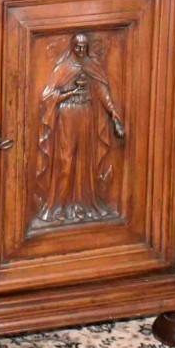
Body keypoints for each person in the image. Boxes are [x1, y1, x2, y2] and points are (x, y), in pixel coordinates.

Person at [34, 32, 125, 225]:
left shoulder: (92, 66)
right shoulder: (63, 68)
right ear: (72, 47)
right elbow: (48, 97)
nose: (81, 50)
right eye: (78, 46)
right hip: (67, 115)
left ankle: (82, 205)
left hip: (86, 115)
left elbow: (103, 93)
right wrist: (70, 93)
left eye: (84, 47)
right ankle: (58, 206)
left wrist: (114, 116)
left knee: (85, 161)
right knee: (66, 161)